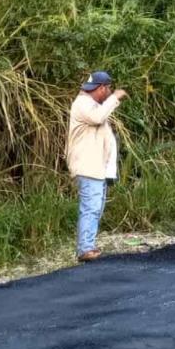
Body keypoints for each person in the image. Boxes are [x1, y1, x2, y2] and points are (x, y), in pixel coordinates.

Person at [65, 71, 128, 262]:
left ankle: (88, 245)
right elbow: (98, 118)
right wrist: (116, 98)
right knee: (91, 207)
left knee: (96, 208)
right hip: (87, 166)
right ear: (102, 88)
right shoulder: (83, 103)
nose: (109, 92)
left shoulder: (92, 104)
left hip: (96, 167)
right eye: (108, 88)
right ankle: (85, 248)